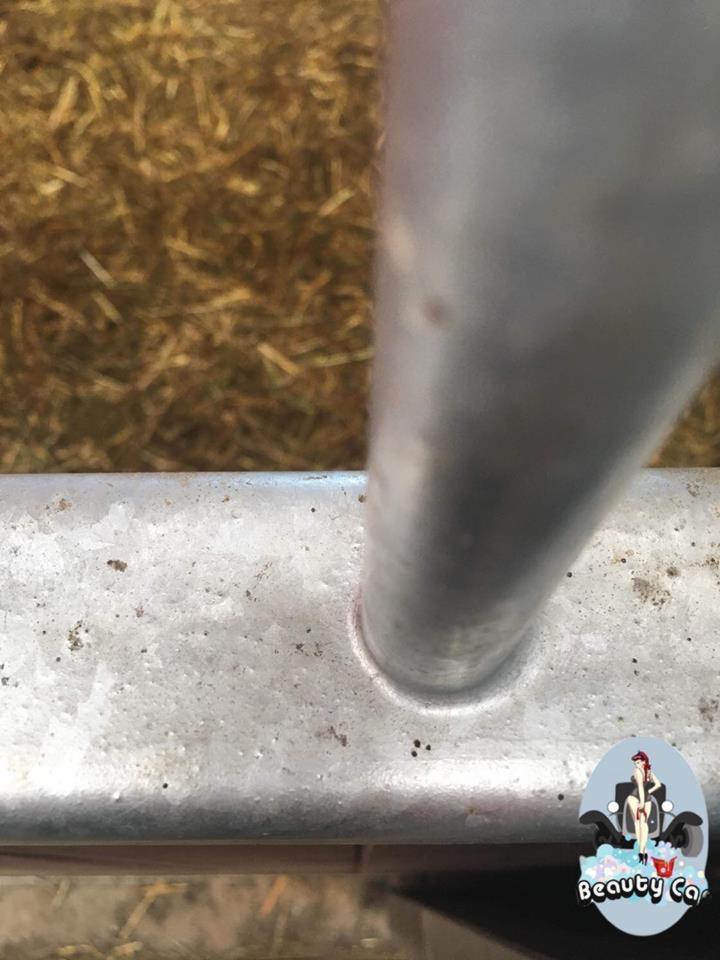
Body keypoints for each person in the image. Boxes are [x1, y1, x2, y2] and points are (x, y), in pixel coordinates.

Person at [628, 750, 661, 865]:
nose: (636, 764)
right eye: (635, 762)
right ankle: (643, 852)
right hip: (645, 799)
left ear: (643, 762)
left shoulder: (638, 771)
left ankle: (641, 852)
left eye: (637, 762)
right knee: (643, 824)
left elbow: (641, 788)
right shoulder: (649, 772)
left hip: (637, 798)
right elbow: (658, 785)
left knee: (639, 824)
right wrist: (649, 792)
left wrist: (642, 801)